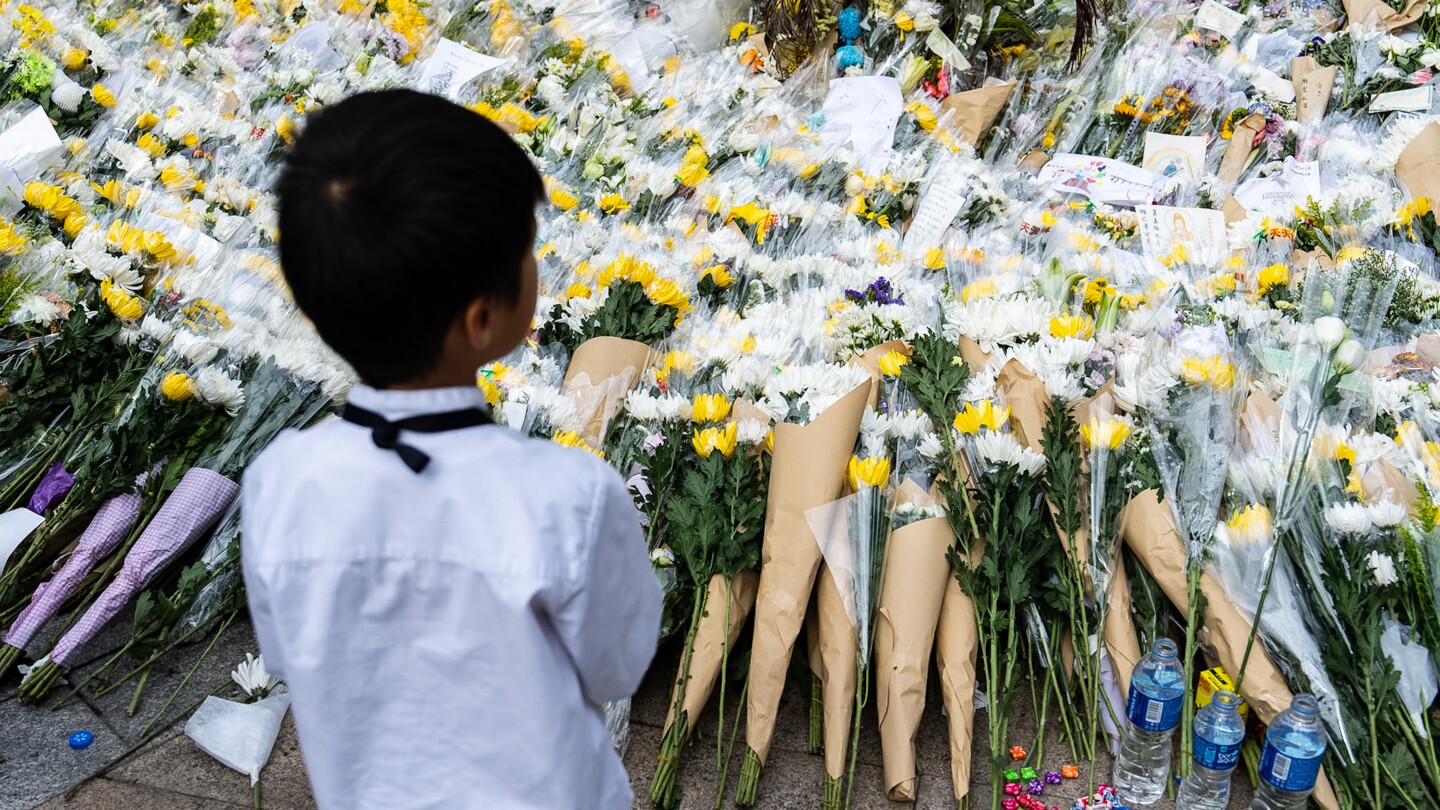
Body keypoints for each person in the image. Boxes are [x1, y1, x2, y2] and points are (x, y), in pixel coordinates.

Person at [243, 89, 661, 809]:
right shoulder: (568, 495)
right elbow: (618, 666)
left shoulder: (281, 479)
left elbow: (285, 653)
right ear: (482, 317)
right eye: (527, 249)